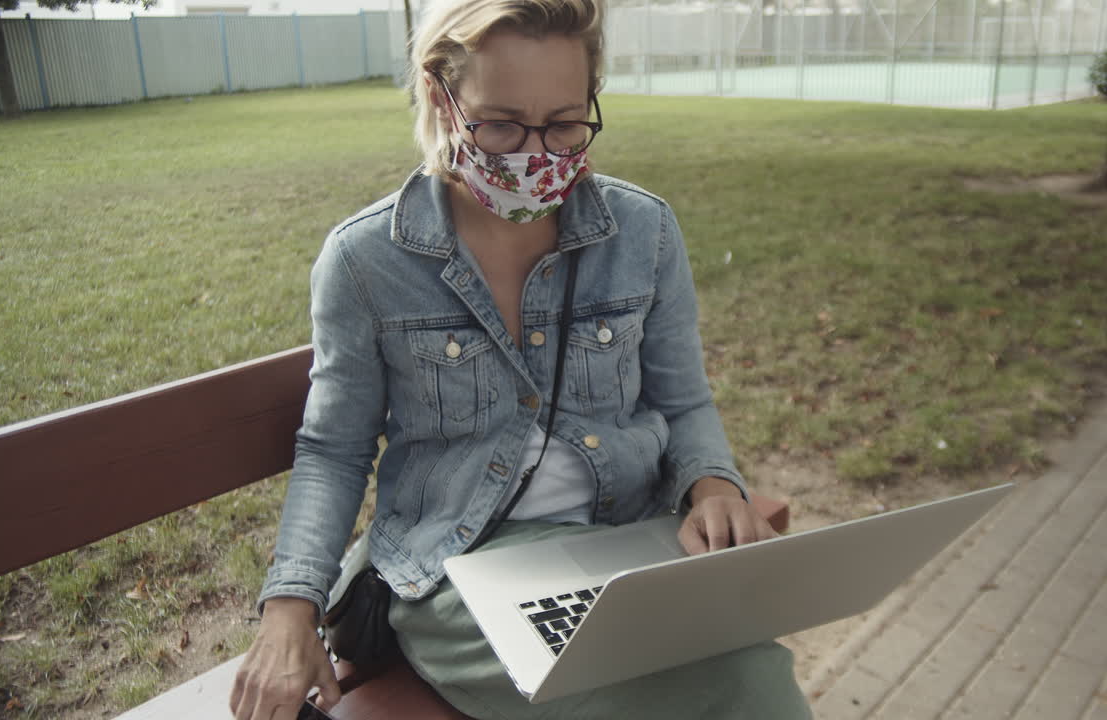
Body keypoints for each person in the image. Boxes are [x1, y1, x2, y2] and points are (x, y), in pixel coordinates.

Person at [229, 0, 813, 717]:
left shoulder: (645, 232)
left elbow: (682, 399)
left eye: (564, 123)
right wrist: (290, 608)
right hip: (459, 571)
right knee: (648, 690)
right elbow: (334, 449)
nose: (536, 155)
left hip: (627, 541)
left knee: (754, 673)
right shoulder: (366, 260)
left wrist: (715, 487)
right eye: (501, 124)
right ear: (439, 96)